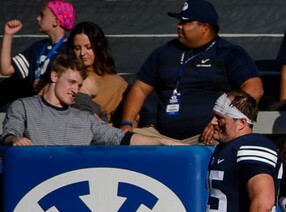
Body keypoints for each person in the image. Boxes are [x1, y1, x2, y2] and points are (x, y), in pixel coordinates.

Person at [119, 0, 263, 144]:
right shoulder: (164, 53)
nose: (179, 26)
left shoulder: (228, 53)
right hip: (160, 134)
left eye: (185, 22)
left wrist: (221, 121)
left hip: (206, 135)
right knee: (123, 139)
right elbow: (140, 88)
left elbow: (254, 88)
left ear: (204, 27)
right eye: (179, 21)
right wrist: (127, 123)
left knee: (221, 142)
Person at [1, 54, 180, 147]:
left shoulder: (85, 119)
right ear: (54, 76)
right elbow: (10, 133)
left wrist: (163, 142)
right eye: (71, 82)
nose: (75, 90)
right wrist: (15, 140)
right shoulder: (24, 106)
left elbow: (121, 138)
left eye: (79, 85)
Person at [0, 1, 74, 106]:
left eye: (42, 15)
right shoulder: (38, 47)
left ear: (56, 21)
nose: (38, 18)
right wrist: (8, 35)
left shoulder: (71, 50)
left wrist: (48, 85)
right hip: (33, 107)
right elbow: (6, 69)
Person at [66, 21, 128, 124]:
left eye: (88, 47)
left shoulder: (117, 84)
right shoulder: (62, 74)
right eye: (77, 48)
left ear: (99, 47)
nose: (82, 53)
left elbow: (128, 121)